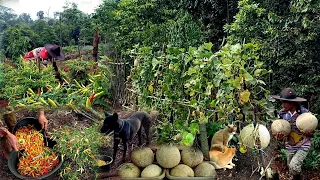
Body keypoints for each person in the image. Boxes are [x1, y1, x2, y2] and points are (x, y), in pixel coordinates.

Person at [272, 88, 313, 180]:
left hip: (303, 144)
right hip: (290, 145)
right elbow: (279, 130)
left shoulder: (304, 113)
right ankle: (299, 177)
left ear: (293, 102)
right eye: (283, 102)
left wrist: (309, 132)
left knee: (294, 166)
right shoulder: (282, 114)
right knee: (292, 168)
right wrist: (278, 137)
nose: (283, 104)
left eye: (286, 102)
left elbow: (312, 129)